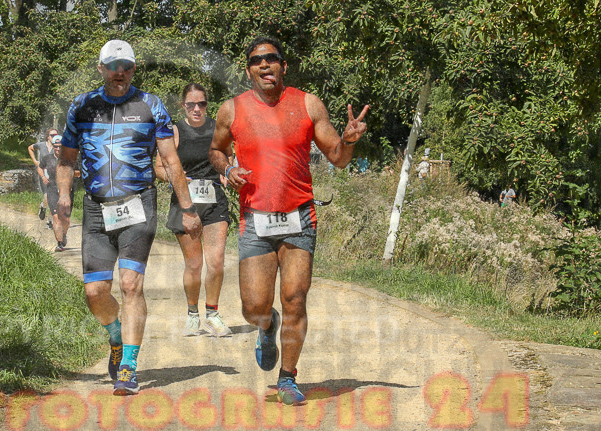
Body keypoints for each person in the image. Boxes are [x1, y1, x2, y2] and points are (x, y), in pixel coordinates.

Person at [209, 36, 369, 406]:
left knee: (295, 298)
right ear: (248, 70)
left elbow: (338, 158)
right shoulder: (231, 110)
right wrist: (228, 167)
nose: (265, 65)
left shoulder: (307, 103)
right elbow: (216, 151)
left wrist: (348, 141)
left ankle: (288, 377)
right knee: (253, 308)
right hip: (256, 221)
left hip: (300, 218)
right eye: (256, 61)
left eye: (272, 59)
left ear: (283, 65)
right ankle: (267, 327)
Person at [56, 39, 202, 396]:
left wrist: (187, 209)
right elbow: (66, 159)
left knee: (131, 284)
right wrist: (62, 199)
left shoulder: (150, 105)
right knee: (95, 293)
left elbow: (170, 160)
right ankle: (116, 336)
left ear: (134, 69)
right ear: (101, 68)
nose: (120, 73)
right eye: (113, 66)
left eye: (127, 67)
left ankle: (129, 367)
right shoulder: (82, 107)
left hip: (139, 205)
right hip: (95, 209)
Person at [154, 83, 232, 338]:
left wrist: (227, 173)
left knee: (217, 262)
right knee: (195, 264)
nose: (197, 109)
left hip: (214, 203)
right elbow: (159, 168)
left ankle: (212, 314)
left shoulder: (217, 129)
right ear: (183, 106)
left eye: (202, 104)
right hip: (185, 203)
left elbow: (228, 158)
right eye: (191, 104)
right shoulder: (175, 131)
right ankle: (192, 314)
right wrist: (174, 177)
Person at [41, 135, 78, 251]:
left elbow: (79, 172)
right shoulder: (47, 158)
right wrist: (43, 176)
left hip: (67, 191)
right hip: (52, 189)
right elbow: (40, 167)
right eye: (55, 146)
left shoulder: (71, 159)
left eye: (60, 146)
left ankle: (64, 234)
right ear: (52, 146)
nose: (57, 149)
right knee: (56, 217)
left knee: (65, 219)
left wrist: (67, 174)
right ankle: (60, 243)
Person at [28, 128, 58, 222]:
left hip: (54, 175)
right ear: (48, 137)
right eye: (52, 135)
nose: (55, 137)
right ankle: (43, 207)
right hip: (43, 173)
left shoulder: (57, 146)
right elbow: (30, 148)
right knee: (46, 197)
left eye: (56, 135)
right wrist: (35, 161)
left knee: (53, 198)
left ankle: (50, 221)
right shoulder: (41, 145)